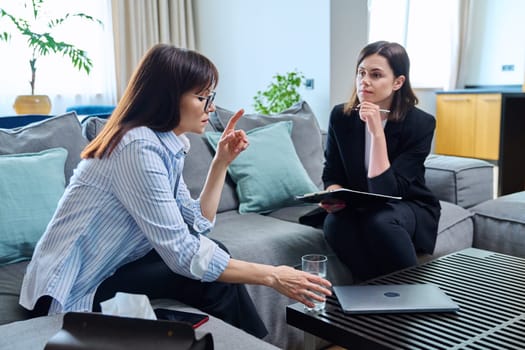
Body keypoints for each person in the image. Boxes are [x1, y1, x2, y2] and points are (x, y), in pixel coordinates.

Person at [19, 43, 331, 338]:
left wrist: (221, 162)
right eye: (201, 97)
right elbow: (183, 254)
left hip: (115, 265)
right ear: (168, 97)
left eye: (211, 95)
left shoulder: (164, 145)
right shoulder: (137, 147)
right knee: (212, 279)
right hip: (74, 283)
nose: (210, 106)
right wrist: (272, 275)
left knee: (215, 254)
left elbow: (198, 223)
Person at [320, 41, 441, 282]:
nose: (364, 81)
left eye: (376, 75)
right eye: (361, 72)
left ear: (398, 82)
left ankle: (413, 292)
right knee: (334, 224)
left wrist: (376, 132)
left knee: (380, 221)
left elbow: (386, 192)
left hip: (406, 204)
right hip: (357, 204)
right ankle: (367, 291)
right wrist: (333, 194)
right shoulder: (341, 116)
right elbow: (331, 172)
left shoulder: (421, 124)